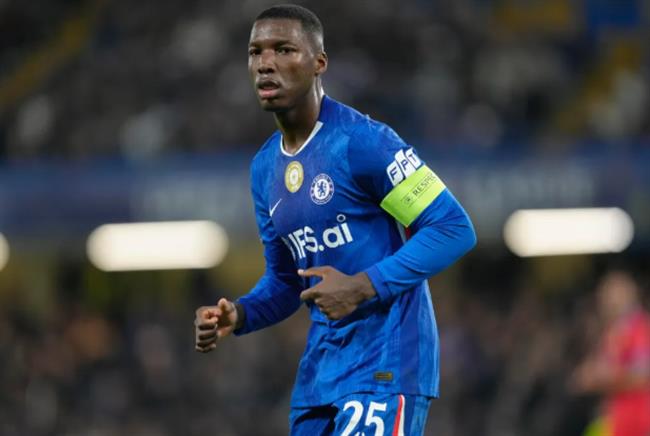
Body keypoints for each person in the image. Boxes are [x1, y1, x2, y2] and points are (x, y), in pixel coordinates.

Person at [194, 4, 476, 435]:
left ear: (319, 63)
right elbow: (287, 281)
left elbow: (452, 228)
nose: (265, 63)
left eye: (283, 49)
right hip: (321, 376)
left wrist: (363, 286)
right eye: (256, 52)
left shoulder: (363, 142)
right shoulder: (264, 168)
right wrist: (242, 314)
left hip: (387, 362)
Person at [571, 271, 650, 436]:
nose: (605, 300)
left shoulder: (640, 328)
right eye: (603, 294)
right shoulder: (614, 331)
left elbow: (643, 376)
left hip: (638, 422)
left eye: (611, 293)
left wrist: (601, 379)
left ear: (629, 293)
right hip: (617, 421)